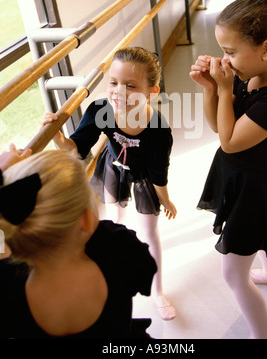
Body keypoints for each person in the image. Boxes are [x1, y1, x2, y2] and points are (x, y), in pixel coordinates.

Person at [190, 0, 267, 339]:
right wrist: (211, 89)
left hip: (253, 188)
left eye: (231, 51)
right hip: (244, 176)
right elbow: (219, 127)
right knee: (261, 238)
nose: (224, 59)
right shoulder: (250, 76)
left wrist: (223, 88)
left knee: (233, 276)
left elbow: (231, 141)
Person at [42, 46, 177, 321]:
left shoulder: (158, 131)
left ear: (152, 91)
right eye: (113, 83)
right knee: (117, 222)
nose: (118, 91)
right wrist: (58, 138)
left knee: (149, 232)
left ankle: (157, 290)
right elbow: (76, 149)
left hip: (144, 177)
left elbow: (159, 173)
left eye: (131, 85)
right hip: (114, 167)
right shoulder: (100, 110)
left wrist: (165, 199)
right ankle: (119, 266)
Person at [0, 148, 157, 338]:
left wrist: (4, 177)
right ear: (86, 220)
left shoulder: (7, 286)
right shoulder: (117, 248)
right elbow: (146, 271)